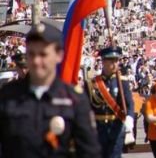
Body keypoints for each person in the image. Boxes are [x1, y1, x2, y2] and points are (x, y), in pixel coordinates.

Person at [0, 22, 101, 157]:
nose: (36, 61)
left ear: (59, 55)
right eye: (32, 54)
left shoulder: (73, 99)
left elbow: (89, 152)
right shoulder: (8, 96)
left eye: (43, 54)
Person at [86, 45, 136, 158]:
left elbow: (129, 104)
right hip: (98, 128)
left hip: (116, 127)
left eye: (117, 61)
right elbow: (86, 107)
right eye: (111, 61)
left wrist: (130, 118)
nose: (115, 64)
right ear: (103, 62)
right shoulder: (92, 83)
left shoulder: (122, 81)